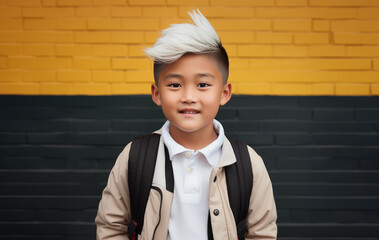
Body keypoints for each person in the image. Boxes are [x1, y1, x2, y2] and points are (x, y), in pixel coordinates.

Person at [95, 9, 277, 240]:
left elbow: (262, 234)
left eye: (202, 84)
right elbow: (111, 227)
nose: (189, 96)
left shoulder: (248, 164)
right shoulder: (135, 156)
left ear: (224, 93)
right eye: (174, 85)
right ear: (156, 93)